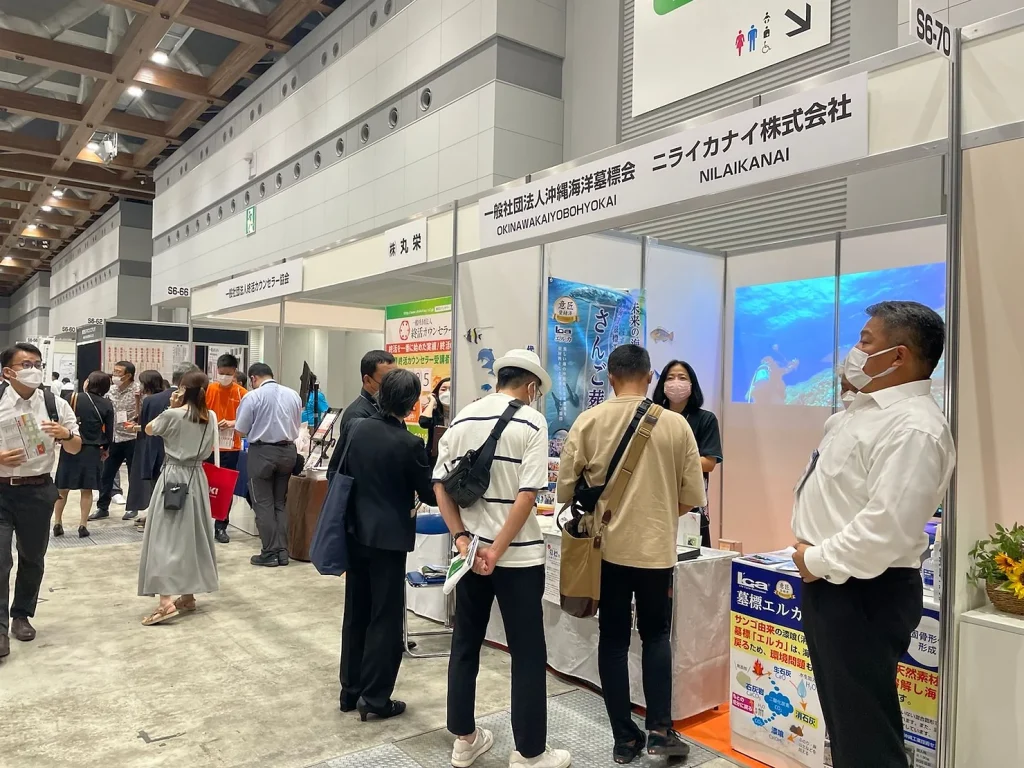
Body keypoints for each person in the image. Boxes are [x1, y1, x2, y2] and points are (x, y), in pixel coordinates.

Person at [791, 301, 955, 768]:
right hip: (834, 585)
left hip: (861, 590)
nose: (854, 351)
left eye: (865, 341)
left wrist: (814, 561)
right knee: (848, 725)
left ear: (898, 355)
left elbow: (886, 529)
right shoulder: (864, 412)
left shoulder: (916, 427)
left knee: (867, 737)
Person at [558, 344, 706, 763]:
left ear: (610, 377)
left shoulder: (588, 421)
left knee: (613, 640)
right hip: (656, 551)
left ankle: (624, 739)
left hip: (605, 551)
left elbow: (566, 489)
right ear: (650, 376)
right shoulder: (676, 425)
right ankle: (659, 730)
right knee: (656, 636)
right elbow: (690, 496)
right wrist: (656, 513)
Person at [434, 349, 570, 768]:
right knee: (526, 652)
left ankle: (464, 739)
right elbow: (528, 495)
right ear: (530, 386)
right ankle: (529, 754)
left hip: (470, 555)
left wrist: (462, 539)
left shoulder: (463, 417)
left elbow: (439, 484)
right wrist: (498, 549)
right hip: (518, 560)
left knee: (465, 644)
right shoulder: (531, 421)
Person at [339, 369, 437, 720]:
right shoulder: (408, 444)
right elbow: (429, 493)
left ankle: (350, 691)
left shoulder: (356, 428)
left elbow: (337, 472)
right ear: (411, 405)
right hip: (389, 539)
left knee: (356, 612)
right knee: (385, 617)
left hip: (354, 531)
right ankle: (375, 698)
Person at [0, 342, 82, 659]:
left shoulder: (54, 404)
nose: (33, 370)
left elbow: (76, 447)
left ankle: (21, 615)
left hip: (37, 490)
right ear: (8, 372)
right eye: (26, 365)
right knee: (0, 561)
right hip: (1, 490)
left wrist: (64, 434)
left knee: (32, 557)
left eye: (37, 364)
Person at [137, 370, 220, 626]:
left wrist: (172, 407)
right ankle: (188, 595)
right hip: (198, 477)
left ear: (182, 389)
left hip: (173, 477)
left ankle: (166, 601)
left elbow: (149, 429)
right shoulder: (211, 416)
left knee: (166, 537)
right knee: (192, 535)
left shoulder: (173, 414)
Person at [234, 362, 302, 567]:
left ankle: (270, 552)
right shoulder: (293, 395)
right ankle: (282, 552)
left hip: (263, 453)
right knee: (279, 503)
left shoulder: (253, 397)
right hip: (288, 451)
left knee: (263, 503)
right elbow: (297, 424)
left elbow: (241, 428)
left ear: (253, 378)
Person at [652, 360, 723, 547]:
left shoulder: (706, 419)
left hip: (692, 506)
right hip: (656, 502)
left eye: (682, 378)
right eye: (670, 378)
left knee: (695, 558)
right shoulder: (652, 417)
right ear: (662, 384)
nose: (676, 382)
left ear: (692, 384)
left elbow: (709, 463)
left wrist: (670, 460)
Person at [135, 362, 200, 533]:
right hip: (186, 458)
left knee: (157, 494)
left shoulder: (151, 400)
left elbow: (145, 429)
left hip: (155, 454)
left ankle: (154, 525)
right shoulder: (198, 406)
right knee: (183, 497)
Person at [53, 372, 115, 539]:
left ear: (88, 383)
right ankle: (83, 525)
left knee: (62, 488)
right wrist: (106, 448)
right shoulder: (106, 404)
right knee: (86, 489)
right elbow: (109, 431)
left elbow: (60, 418)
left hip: (70, 445)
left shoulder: (72, 397)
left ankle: (57, 522)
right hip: (92, 450)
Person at [327, 350, 396, 481]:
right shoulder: (356, 415)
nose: (392, 386)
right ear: (367, 380)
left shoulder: (386, 408)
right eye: (386, 381)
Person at [205, 353, 248, 544]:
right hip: (209, 446)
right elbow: (201, 413)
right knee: (205, 486)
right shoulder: (209, 389)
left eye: (228, 374)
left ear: (235, 372)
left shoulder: (242, 393)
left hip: (231, 448)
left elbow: (248, 419)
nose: (224, 377)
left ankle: (221, 526)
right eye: (221, 373)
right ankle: (202, 523)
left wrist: (232, 422)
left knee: (225, 487)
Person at [92, 361, 141, 520]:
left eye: (118, 372)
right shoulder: (111, 390)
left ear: (128, 375)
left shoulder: (138, 390)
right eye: (114, 371)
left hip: (132, 437)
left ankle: (132, 507)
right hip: (114, 437)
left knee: (133, 475)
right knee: (106, 474)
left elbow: (143, 412)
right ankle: (102, 507)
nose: (115, 375)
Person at [122, 370, 165, 522]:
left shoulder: (152, 400)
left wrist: (134, 428)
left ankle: (153, 517)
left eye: (141, 382)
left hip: (151, 444)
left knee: (153, 482)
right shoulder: (157, 398)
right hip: (160, 445)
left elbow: (146, 425)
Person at [418, 376, 451, 461]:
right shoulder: (434, 411)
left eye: (451, 389)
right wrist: (432, 401)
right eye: (443, 389)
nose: (447, 393)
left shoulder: (462, 411)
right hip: (434, 457)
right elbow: (424, 422)